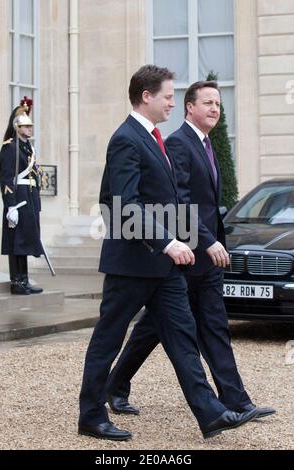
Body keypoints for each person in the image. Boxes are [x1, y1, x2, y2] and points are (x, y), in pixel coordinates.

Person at [78, 66, 258, 442]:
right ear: (146, 96)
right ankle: (91, 415)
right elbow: (122, 204)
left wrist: (183, 241)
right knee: (108, 340)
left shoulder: (154, 139)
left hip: (164, 267)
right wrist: (166, 241)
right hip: (132, 265)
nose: (173, 103)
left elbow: (169, 201)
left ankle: (210, 414)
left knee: (182, 337)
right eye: (168, 96)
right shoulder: (127, 138)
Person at [106, 81, 276, 419]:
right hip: (186, 255)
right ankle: (114, 386)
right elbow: (181, 204)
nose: (215, 108)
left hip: (208, 259)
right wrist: (206, 241)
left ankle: (237, 400)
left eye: (218, 103)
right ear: (190, 108)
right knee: (151, 328)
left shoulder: (208, 144)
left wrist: (215, 241)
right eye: (208, 103)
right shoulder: (178, 144)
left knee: (213, 326)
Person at [0, 99, 43, 295]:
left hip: (30, 198)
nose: (30, 128)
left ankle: (24, 279)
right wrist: (11, 206)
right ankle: (16, 281)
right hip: (18, 199)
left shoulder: (28, 148)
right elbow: (7, 178)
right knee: (16, 242)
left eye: (30, 125)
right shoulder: (10, 147)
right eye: (26, 125)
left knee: (26, 241)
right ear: (17, 127)